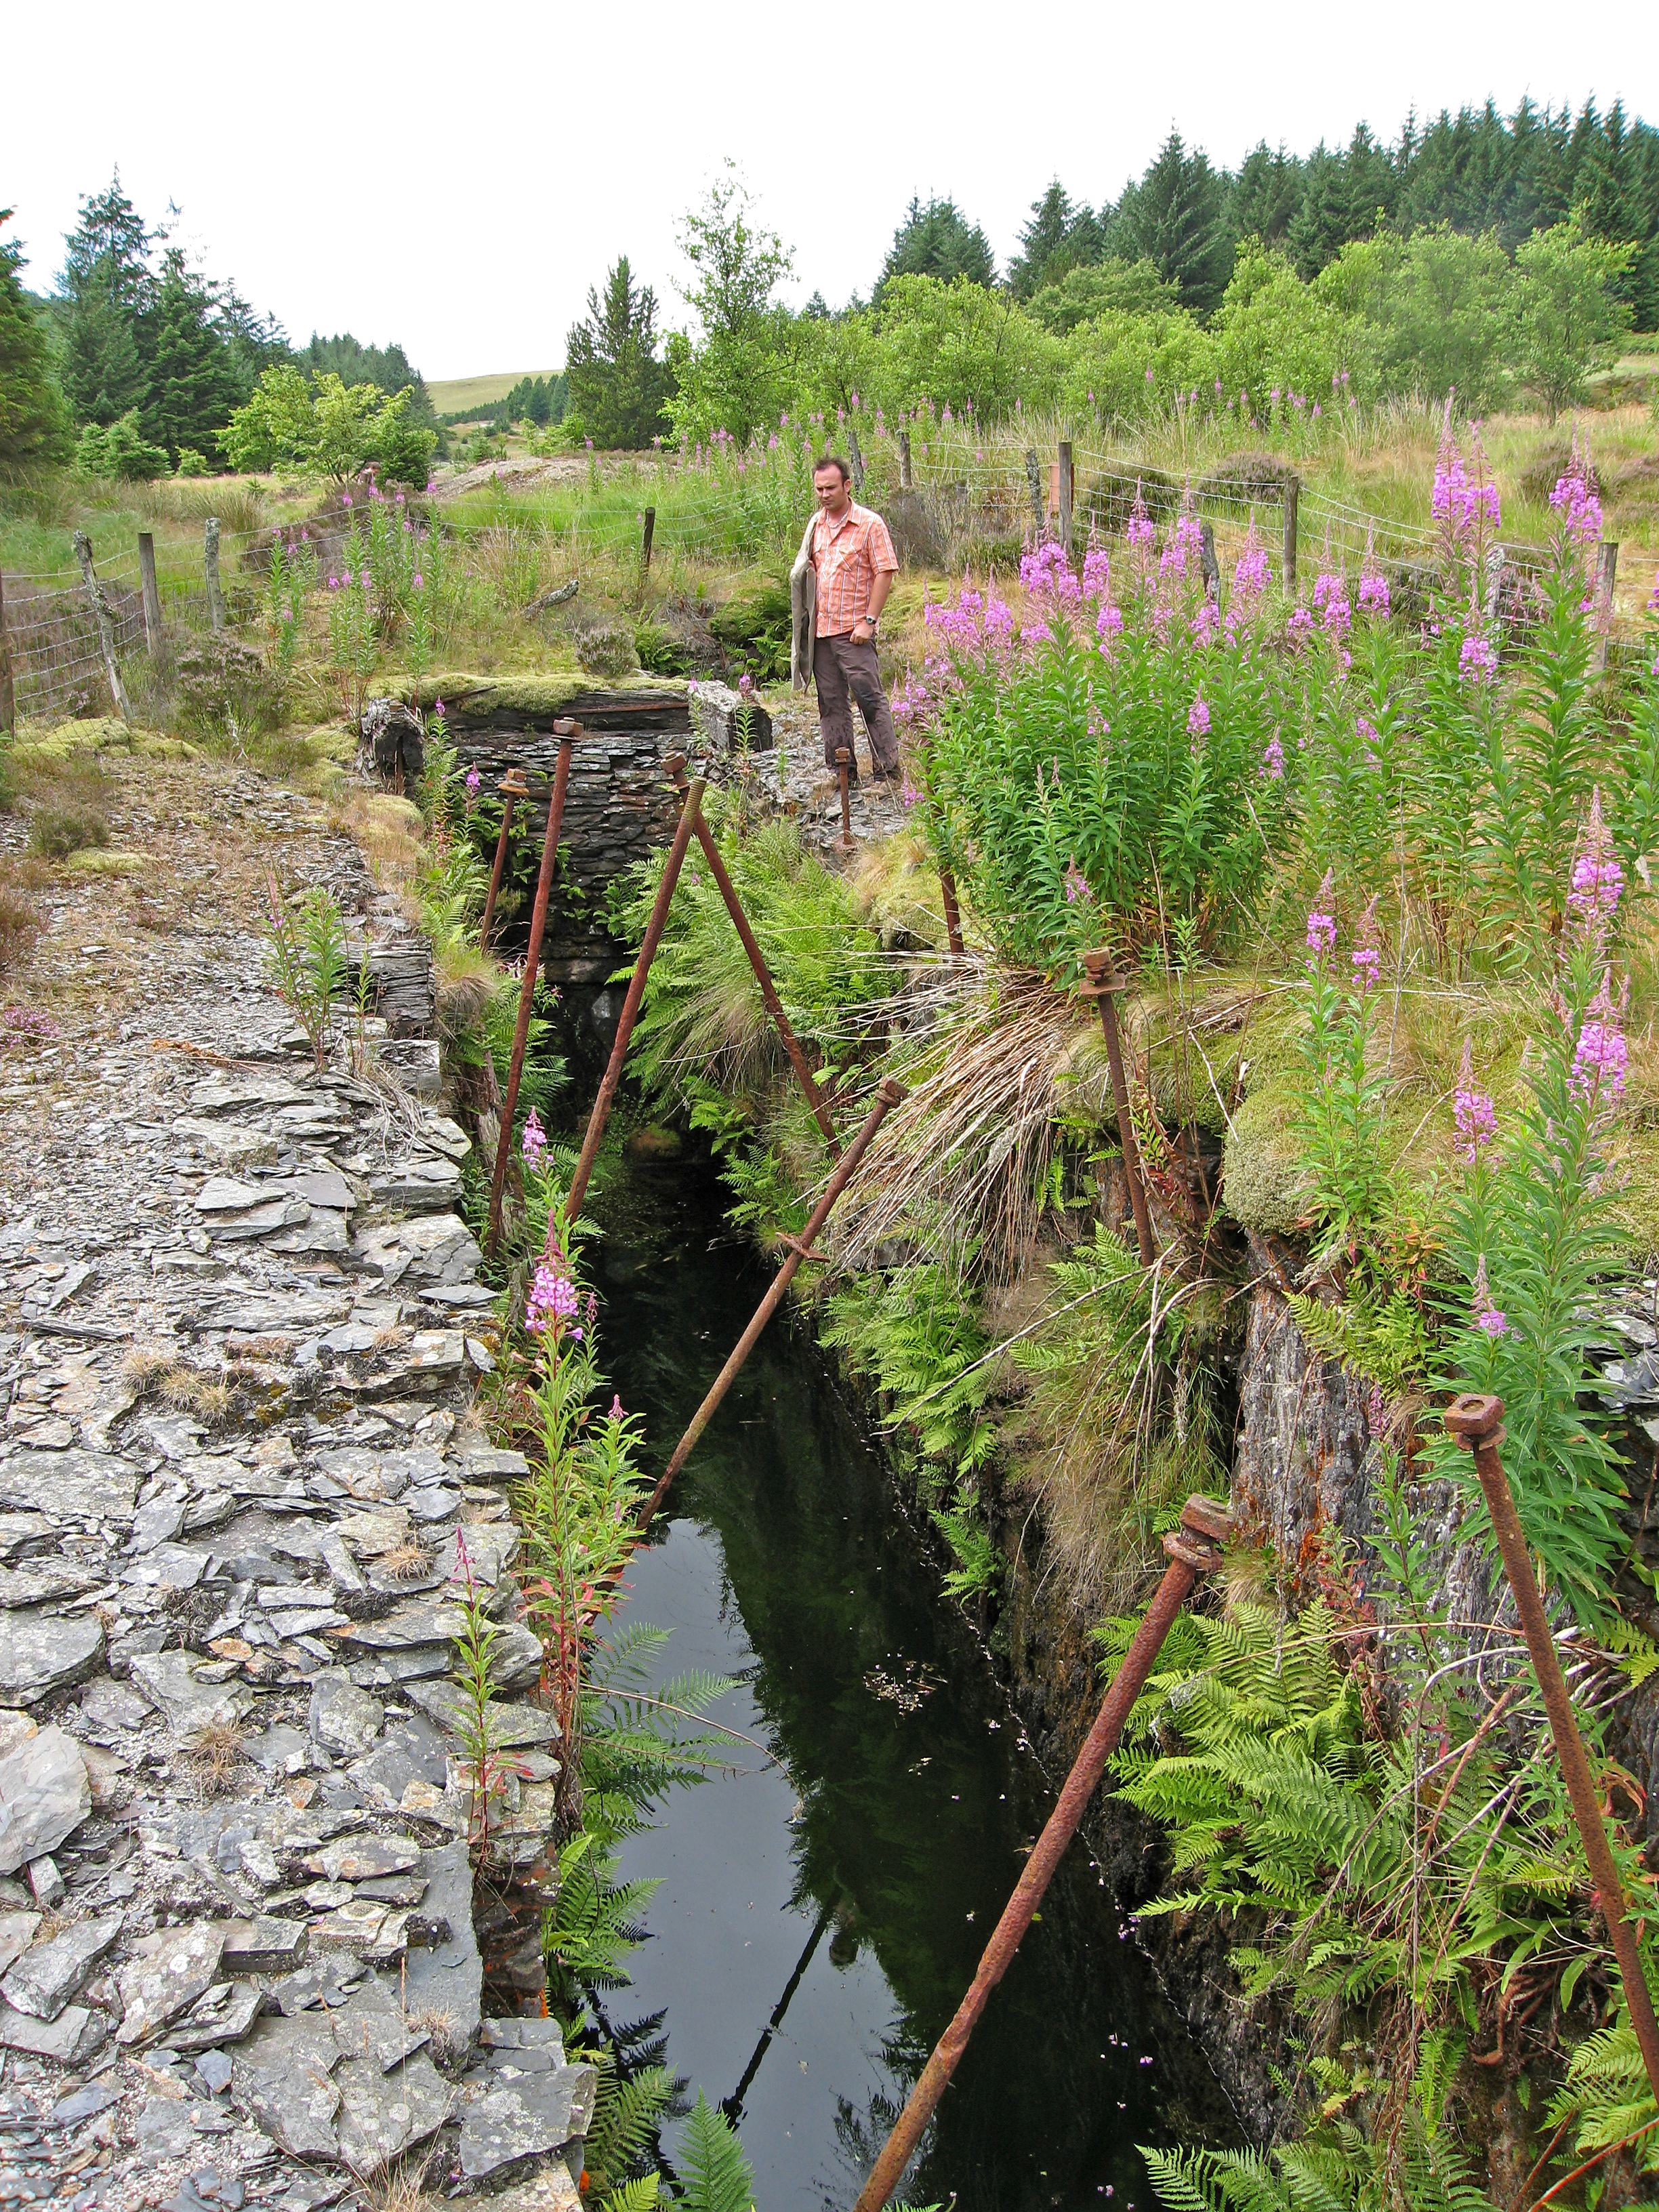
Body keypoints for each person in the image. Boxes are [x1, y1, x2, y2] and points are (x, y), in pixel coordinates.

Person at [789, 456, 901, 783]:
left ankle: (888, 771)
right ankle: (842, 773)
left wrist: (870, 620)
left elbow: (885, 571)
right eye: (819, 489)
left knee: (869, 699)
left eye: (831, 488)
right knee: (832, 704)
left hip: (854, 632)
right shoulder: (816, 526)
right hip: (821, 633)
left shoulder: (869, 524)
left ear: (847, 485)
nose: (824, 495)